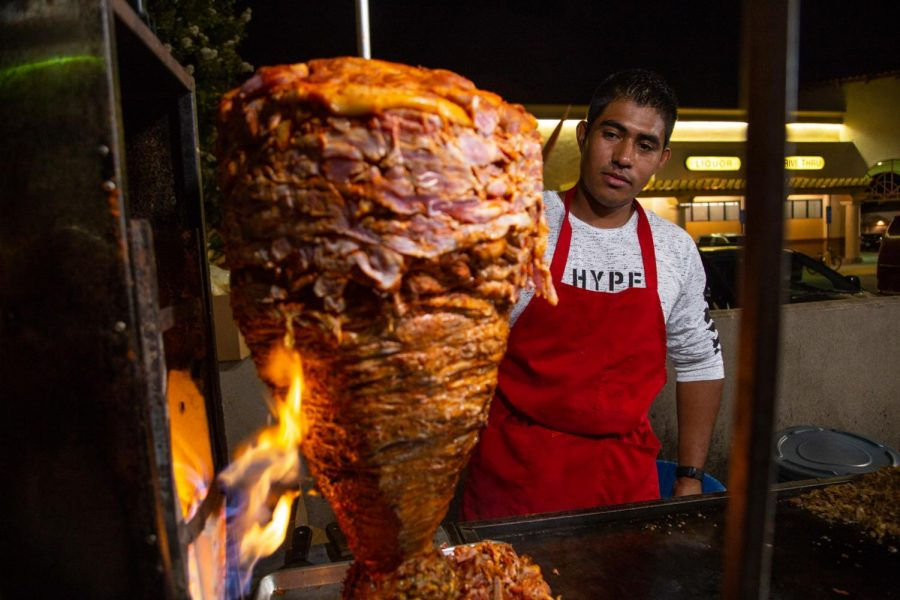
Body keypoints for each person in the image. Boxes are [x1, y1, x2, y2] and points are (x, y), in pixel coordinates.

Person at [461, 69, 724, 520]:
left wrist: (690, 475)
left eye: (645, 145)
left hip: (624, 483)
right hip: (514, 481)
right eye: (612, 134)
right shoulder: (520, 228)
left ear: (662, 158)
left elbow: (700, 361)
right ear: (584, 136)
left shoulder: (674, 249)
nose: (623, 157)